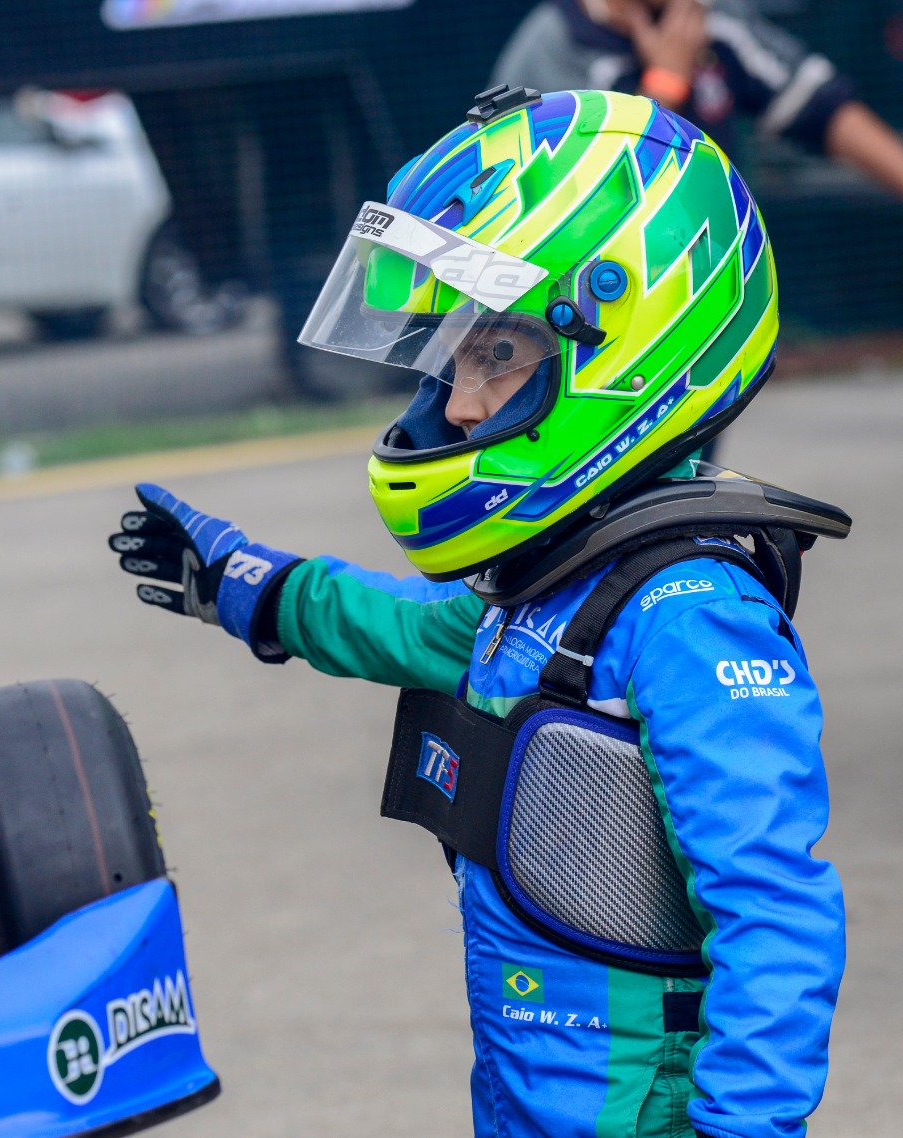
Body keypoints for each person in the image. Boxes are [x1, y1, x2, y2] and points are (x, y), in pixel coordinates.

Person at [110, 87, 850, 1138]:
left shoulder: (689, 617)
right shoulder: (554, 585)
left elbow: (774, 919)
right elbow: (403, 623)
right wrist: (248, 582)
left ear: (623, 346)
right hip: (519, 1091)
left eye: (494, 353)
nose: (456, 403)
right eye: (455, 356)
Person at [491, 0, 903, 197]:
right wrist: (665, 85)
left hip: (716, 261)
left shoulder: (712, 18)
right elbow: (572, 198)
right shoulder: (550, 49)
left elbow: (823, 110)